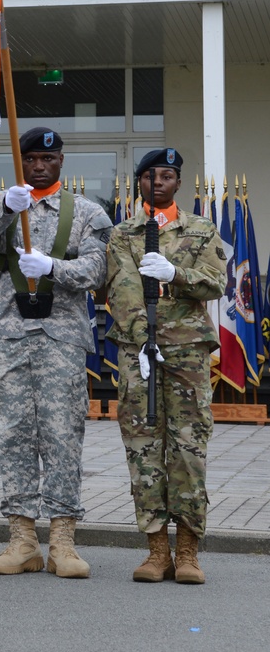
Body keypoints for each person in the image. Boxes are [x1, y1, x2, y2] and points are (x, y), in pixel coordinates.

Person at [0, 127, 112, 579]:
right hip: (8, 336)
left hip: (61, 338)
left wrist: (55, 266)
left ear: (60, 163)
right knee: (11, 435)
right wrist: (7, 208)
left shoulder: (88, 213)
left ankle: (63, 542)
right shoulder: (1, 205)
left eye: (47, 160)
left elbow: (96, 269)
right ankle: (22, 540)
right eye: (30, 159)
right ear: (20, 164)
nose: (38, 166)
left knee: (61, 437)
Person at [106, 149, 227, 584]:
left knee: (188, 447)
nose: (158, 182)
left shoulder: (200, 229)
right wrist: (143, 339)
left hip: (188, 351)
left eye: (168, 176)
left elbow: (216, 282)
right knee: (143, 448)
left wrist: (175, 271)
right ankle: (157, 551)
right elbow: (121, 290)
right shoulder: (123, 233)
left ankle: (189, 551)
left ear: (178, 183)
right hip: (140, 351)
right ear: (139, 183)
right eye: (150, 176)